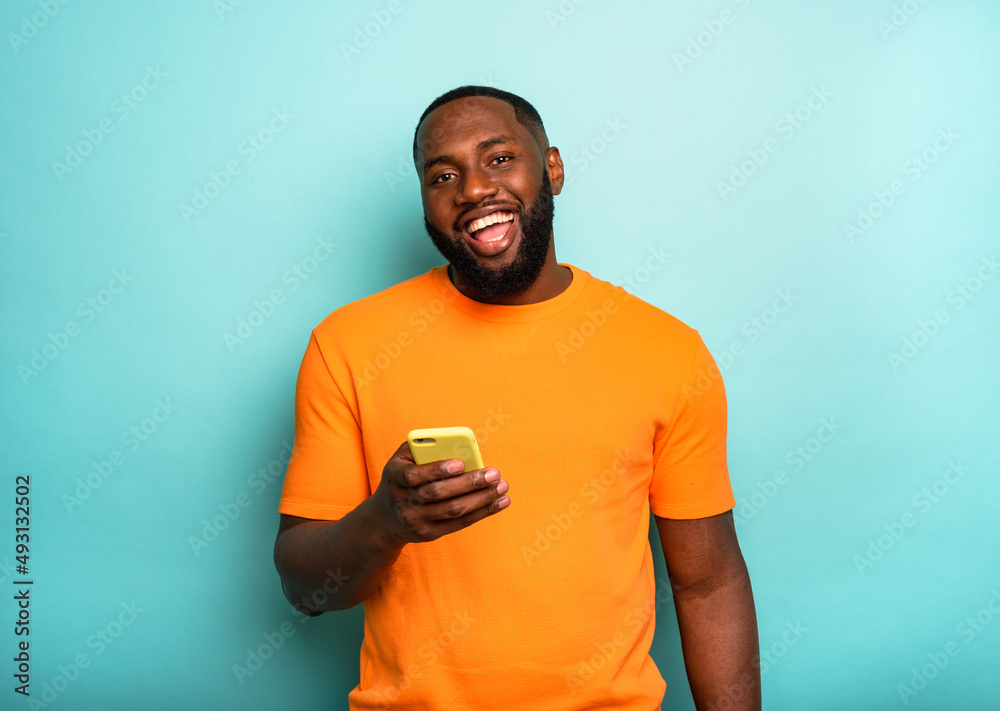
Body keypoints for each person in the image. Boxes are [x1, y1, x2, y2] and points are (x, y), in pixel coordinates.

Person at [273, 85, 761, 711]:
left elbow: (708, 584)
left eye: (499, 158)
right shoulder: (347, 345)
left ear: (552, 168)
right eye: (442, 174)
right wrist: (386, 523)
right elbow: (304, 588)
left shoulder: (668, 350)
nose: (473, 189)